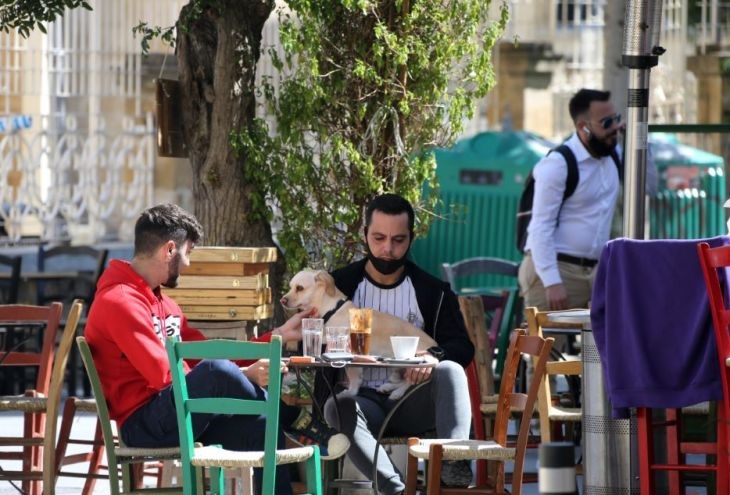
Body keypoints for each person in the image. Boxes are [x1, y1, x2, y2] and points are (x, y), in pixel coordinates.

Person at [84, 203, 349, 495]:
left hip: (179, 413)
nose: (188, 264)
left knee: (264, 425)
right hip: (144, 423)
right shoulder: (120, 301)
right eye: (188, 253)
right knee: (216, 370)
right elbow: (166, 376)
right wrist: (242, 375)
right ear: (169, 250)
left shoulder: (163, 303)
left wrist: (280, 335)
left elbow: (203, 352)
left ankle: (289, 429)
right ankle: (296, 420)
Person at [322, 193, 475, 495]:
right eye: (379, 238)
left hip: (412, 401)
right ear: (364, 234)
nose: (388, 249)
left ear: (411, 238)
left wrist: (433, 356)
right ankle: (394, 489)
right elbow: (308, 341)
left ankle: (454, 462)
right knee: (336, 406)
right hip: (361, 402)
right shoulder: (339, 285)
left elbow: (462, 347)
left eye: (398, 240)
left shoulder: (433, 291)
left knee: (451, 371)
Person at [518, 88, 657, 314]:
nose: (615, 127)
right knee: (549, 338)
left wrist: (638, 139)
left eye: (616, 119)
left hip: (597, 272)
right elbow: (540, 226)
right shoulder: (558, 164)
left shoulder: (613, 155)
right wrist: (552, 281)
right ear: (583, 127)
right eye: (607, 122)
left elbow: (649, 186)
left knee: (603, 338)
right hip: (556, 270)